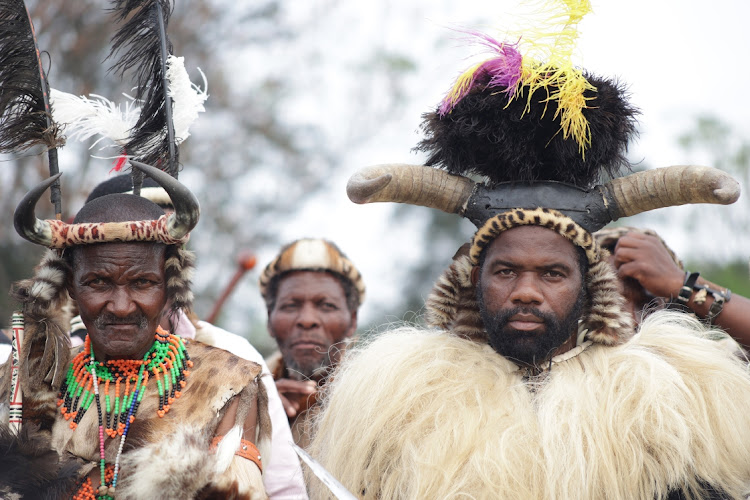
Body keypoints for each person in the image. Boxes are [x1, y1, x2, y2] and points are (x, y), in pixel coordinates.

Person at [308, 8, 750, 499]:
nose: (525, 292)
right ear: (472, 277)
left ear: (589, 284)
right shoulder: (395, 395)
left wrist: (689, 289)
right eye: (506, 271)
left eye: (553, 274)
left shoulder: (664, 396)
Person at [0, 163, 269, 499]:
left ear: (170, 285)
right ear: (71, 285)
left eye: (143, 282)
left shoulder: (226, 384)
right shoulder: (22, 380)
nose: (121, 306)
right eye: (98, 282)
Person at [79, 173, 309, 499]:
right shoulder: (46, 367)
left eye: (144, 273)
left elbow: (285, 491)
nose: (121, 303)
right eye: (103, 277)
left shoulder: (235, 362)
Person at [258, 238, 364, 448]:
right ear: (270, 320)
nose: (307, 320)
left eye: (326, 305)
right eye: (290, 305)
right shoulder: (245, 398)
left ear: (352, 321)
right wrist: (256, 417)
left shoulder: (382, 405)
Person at [595, 226, 750, 346]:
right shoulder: (574, 369)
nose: (634, 321)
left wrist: (680, 283)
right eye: (611, 304)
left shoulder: (710, 366)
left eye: (650, 306)